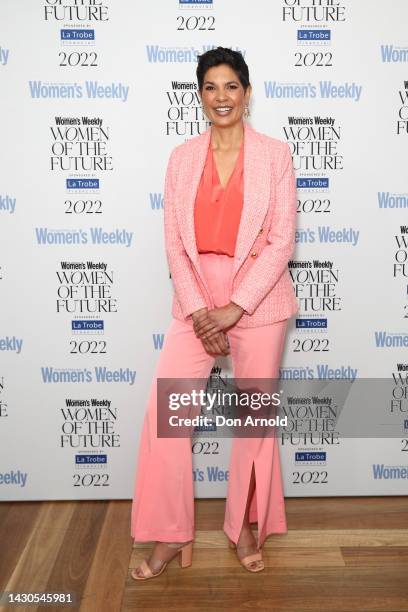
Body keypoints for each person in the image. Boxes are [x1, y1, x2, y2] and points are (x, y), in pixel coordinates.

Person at [130, 46, 298, 581]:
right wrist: (204, 310)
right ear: (199, 96)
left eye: (231, 86)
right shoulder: (181, 158)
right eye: (210, 87)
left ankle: (245, 525)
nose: (221, 96)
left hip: (259, 297)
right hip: (196, 297)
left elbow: (281, 241)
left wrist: (235, 307)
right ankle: (170, 535)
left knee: (254, 422)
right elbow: (175, 244)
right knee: (167, 418)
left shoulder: (276, 154)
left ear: (247, 94)